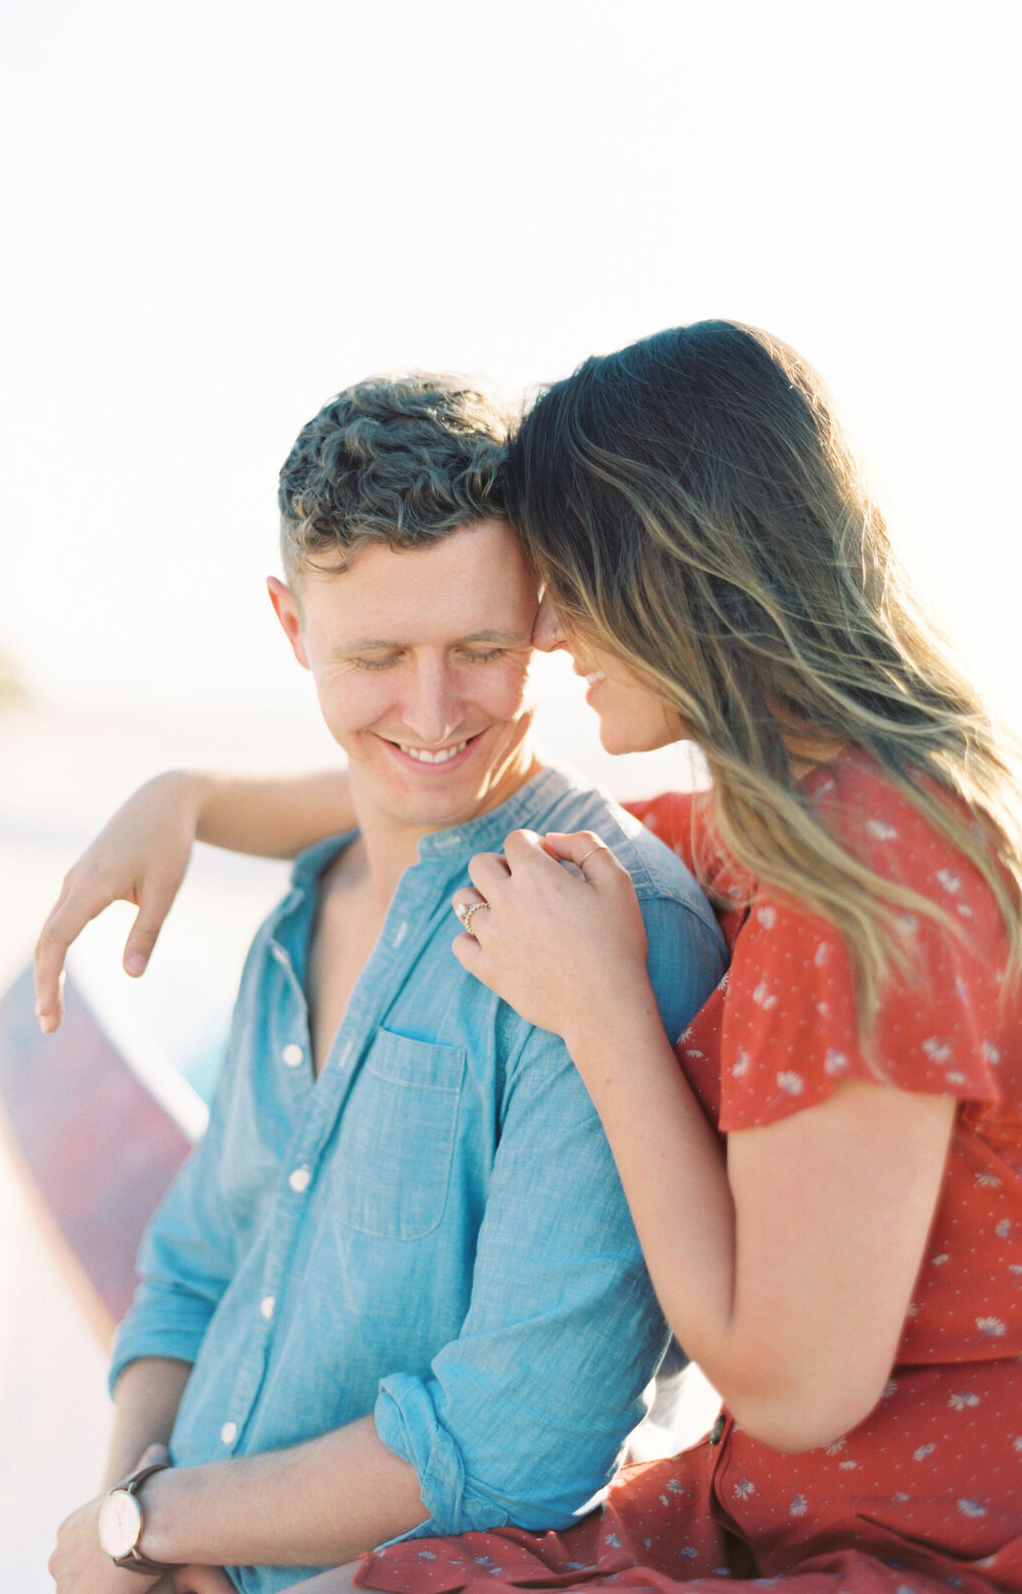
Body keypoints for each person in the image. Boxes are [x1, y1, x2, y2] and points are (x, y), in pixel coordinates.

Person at [42, 322, 1022, 1594]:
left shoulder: (839, 879)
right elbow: (436, 798)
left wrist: (609, 1017)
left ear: (670, 577)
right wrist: (189, 795)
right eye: (375, 656)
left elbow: (783, 1385)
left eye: (535, 613)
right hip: (803, 1497)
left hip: (932, 1532)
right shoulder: (773, 828)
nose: (558, 634)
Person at [45, 373, 728, 1594]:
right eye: (374, 655)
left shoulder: (615, 928)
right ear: (291, 627)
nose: (431, 712)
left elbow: (521, 1437)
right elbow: (194, 1271)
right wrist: (130, 1524)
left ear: (546, 617)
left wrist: (159, 1527)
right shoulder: (294, 920)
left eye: (480, 648)